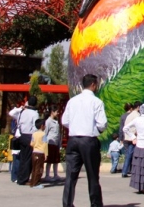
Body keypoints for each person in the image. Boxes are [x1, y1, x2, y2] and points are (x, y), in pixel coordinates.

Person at [62, 74, 107, 207]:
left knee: (70, 176)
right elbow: (102, 124)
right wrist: (95, 130)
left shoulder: (72, 101)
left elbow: (64, 121)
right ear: (93, 85)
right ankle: (95, 204)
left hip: (73, 139)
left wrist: (75, 126)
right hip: (88, 140)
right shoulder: (96, 102)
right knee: (92, 176)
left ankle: (67, 204)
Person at [15, 96, 40, 186]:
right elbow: (35, 126)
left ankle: (20, 177)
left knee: (23, 158)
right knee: (28, 159)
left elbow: (19, 123)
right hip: (30, 136)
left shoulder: (23, 112)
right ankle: (24, 179)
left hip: (22, 135)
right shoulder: (35, 113)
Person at [122, 101, 141, 178]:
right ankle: (126, 171)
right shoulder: (137, 115)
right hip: (133, 137)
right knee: (132, 155)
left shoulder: (129, 115)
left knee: (128, 155)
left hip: (128, 137)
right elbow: (137, 126)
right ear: (138, 107)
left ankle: (125, 171)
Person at [43, 105, 62, 181]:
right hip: (50, 143)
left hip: (56, 143)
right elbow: (45, 133)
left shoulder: (56, 121)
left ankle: (55, 174)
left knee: (56, 160)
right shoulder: (48, 122)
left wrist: (59, 144)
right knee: (49, 160)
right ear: (52, 112)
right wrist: (44, 143)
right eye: (56, 111)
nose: (58, 113)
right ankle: (47, 175)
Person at [29, 118, 47, 189]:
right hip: (41, 153)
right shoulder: (43, 134)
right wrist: (46, 154)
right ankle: (36, 183)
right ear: (42, 126)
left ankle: (32, 182)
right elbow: (45, 145)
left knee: (34, 168)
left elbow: (31, 143)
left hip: (34, 152)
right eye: (44, 125)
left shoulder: (34, 134)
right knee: (39, 169)